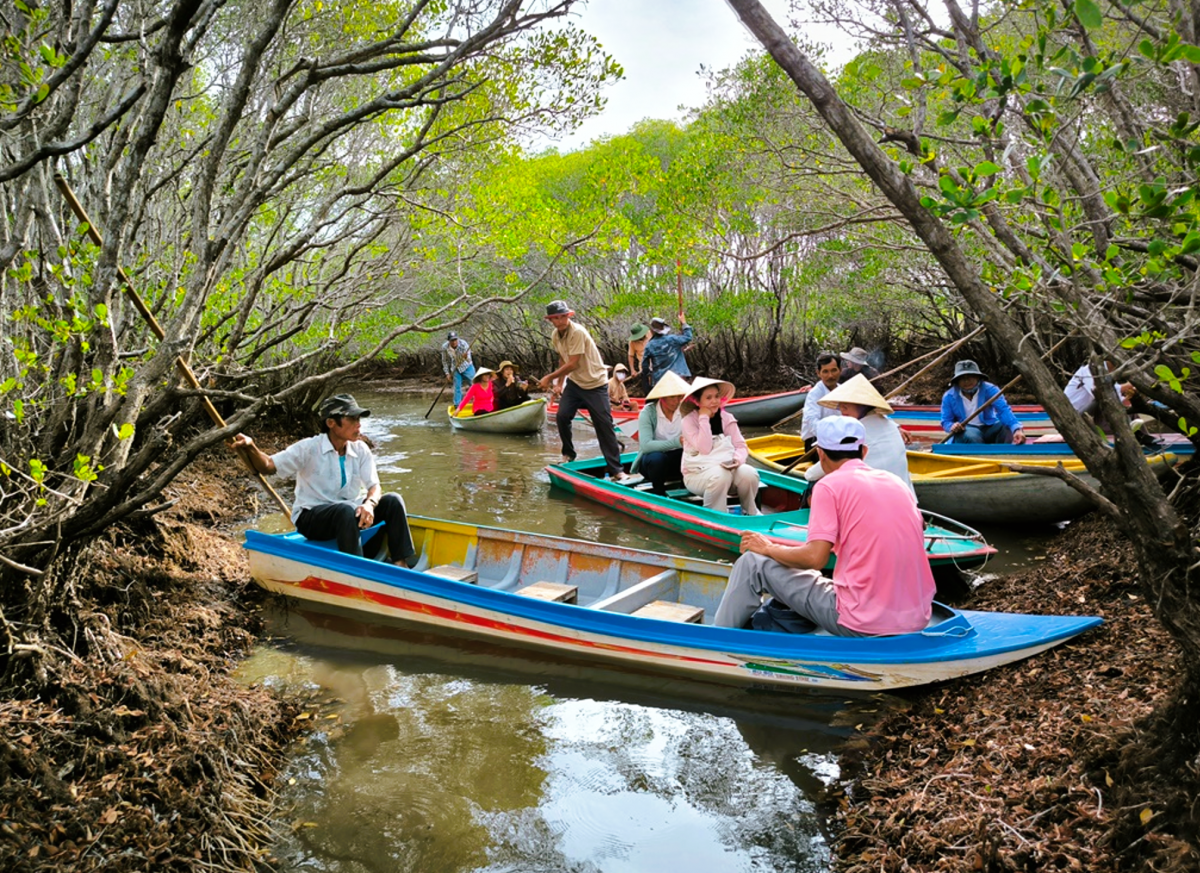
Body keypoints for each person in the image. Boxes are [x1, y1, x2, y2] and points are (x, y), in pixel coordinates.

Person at [714, 415, 935, 634]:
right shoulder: (896, 483)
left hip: (863, 622)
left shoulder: (828, 486)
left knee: (752, 562)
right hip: (918, 617)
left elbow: (814, 559)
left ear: (820, 454)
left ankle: (718, 639)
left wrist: (768, 547)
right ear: (864, 451)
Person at [229, 393, 416, 566]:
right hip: (312, 518)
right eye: (351, 419)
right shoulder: (309, 448)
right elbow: (268, 466)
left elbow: (374, 486)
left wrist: (369, 504)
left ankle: (401, 563)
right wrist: (251, 446)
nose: (358, 424)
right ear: (331, 423)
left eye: (358, 419)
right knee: (346, 511)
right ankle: (357, 569)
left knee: (393, 501)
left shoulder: (360, 449)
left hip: (348, 513)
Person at [537, 300, 633, 481]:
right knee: (562, 416)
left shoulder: (577, 332)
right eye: (556, 318)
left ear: (568, 316)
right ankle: (568, 453)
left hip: (595, 383)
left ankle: (617, 470)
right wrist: (559, 383)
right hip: (575, 383)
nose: (561, 320)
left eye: (563, 316)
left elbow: (573, 362)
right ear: (551, 321)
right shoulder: (555, 336)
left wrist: (549, 378)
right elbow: (563, 359)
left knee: (604, 424)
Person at [805, 373, 913, 496]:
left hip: (879, 497)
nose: (842, 408)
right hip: (905, 495)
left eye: (848, 403)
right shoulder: (888, 423)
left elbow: (812, 474)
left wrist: (809, 473)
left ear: (864, 406)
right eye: (841, 404)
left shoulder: (857, 433)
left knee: (814, 486)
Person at [680, 376, 762, 515]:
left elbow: (741, 446)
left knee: (749, 473)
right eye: (708, 398)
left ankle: (750, 511)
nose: (714, 401)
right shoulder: (688, 421)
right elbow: (704, 448)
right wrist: (704, 418)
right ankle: (716, 515)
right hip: (698, 474)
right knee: (720, 475)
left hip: (727, 469)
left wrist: (737, 460)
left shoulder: (727, 418)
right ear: (698, 401)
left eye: (717, 397)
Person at [630, 371, 691, 495]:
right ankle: (659, 492)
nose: (676, 401)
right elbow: (646, 446)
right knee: (657, 458)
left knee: (690, 453)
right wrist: (676, 442)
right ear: (662, 397)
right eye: (672, 397)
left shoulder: (686, 410)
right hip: (653, 463)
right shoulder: (648, 413)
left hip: (679, 461)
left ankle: (686, 489)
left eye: (680, 397)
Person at [941, 360, 1026, 445]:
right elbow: (946, 421)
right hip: (966, 430)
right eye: (962, 378)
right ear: (957, 381)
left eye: (970, 377)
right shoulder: (949, 396)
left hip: (989, 427)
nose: (966, 381)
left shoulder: (990, 390)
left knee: (1006, 428)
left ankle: (1002, 454)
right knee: (972, 436)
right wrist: (952, 426)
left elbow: (1003, 410)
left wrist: (1016, 429)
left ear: (978, 377)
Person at [800, 351, 843, 451]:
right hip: (815, 442)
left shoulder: (843, 391)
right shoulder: (814, 394)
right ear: (818, 373)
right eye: (825, 371)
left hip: (838, 439)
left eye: (834, 370)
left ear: (840, 370)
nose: (830, 376)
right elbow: (812, 423)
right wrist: (831, 436)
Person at [643, 312, 693, 389]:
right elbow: (688, 337)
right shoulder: (673, 339)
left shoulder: (649, 346)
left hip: (660, 379)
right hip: (678, 376)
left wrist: (649, 376)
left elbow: (645, 366)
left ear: (652, 330)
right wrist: (684, 323)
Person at [441, 332, 476, 408]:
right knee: (457, 387)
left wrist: (465, 357)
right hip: (455, 368)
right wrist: (447, 373)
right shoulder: (445, 347)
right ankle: (457, 405)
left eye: (455, 340)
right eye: (452, 340)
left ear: (458, 339)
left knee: (474, 384)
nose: (454, 342)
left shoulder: (464, 344)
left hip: (467, 366)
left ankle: (479, 401)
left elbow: (469, 360)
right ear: (448, 341)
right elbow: (444, 361)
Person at [627, 323, 649, 393]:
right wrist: (632, 370)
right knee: (646, 388)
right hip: (643, 366)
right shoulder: (632, 342)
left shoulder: (650, 334)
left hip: (655, 364)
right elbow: (631, 355)